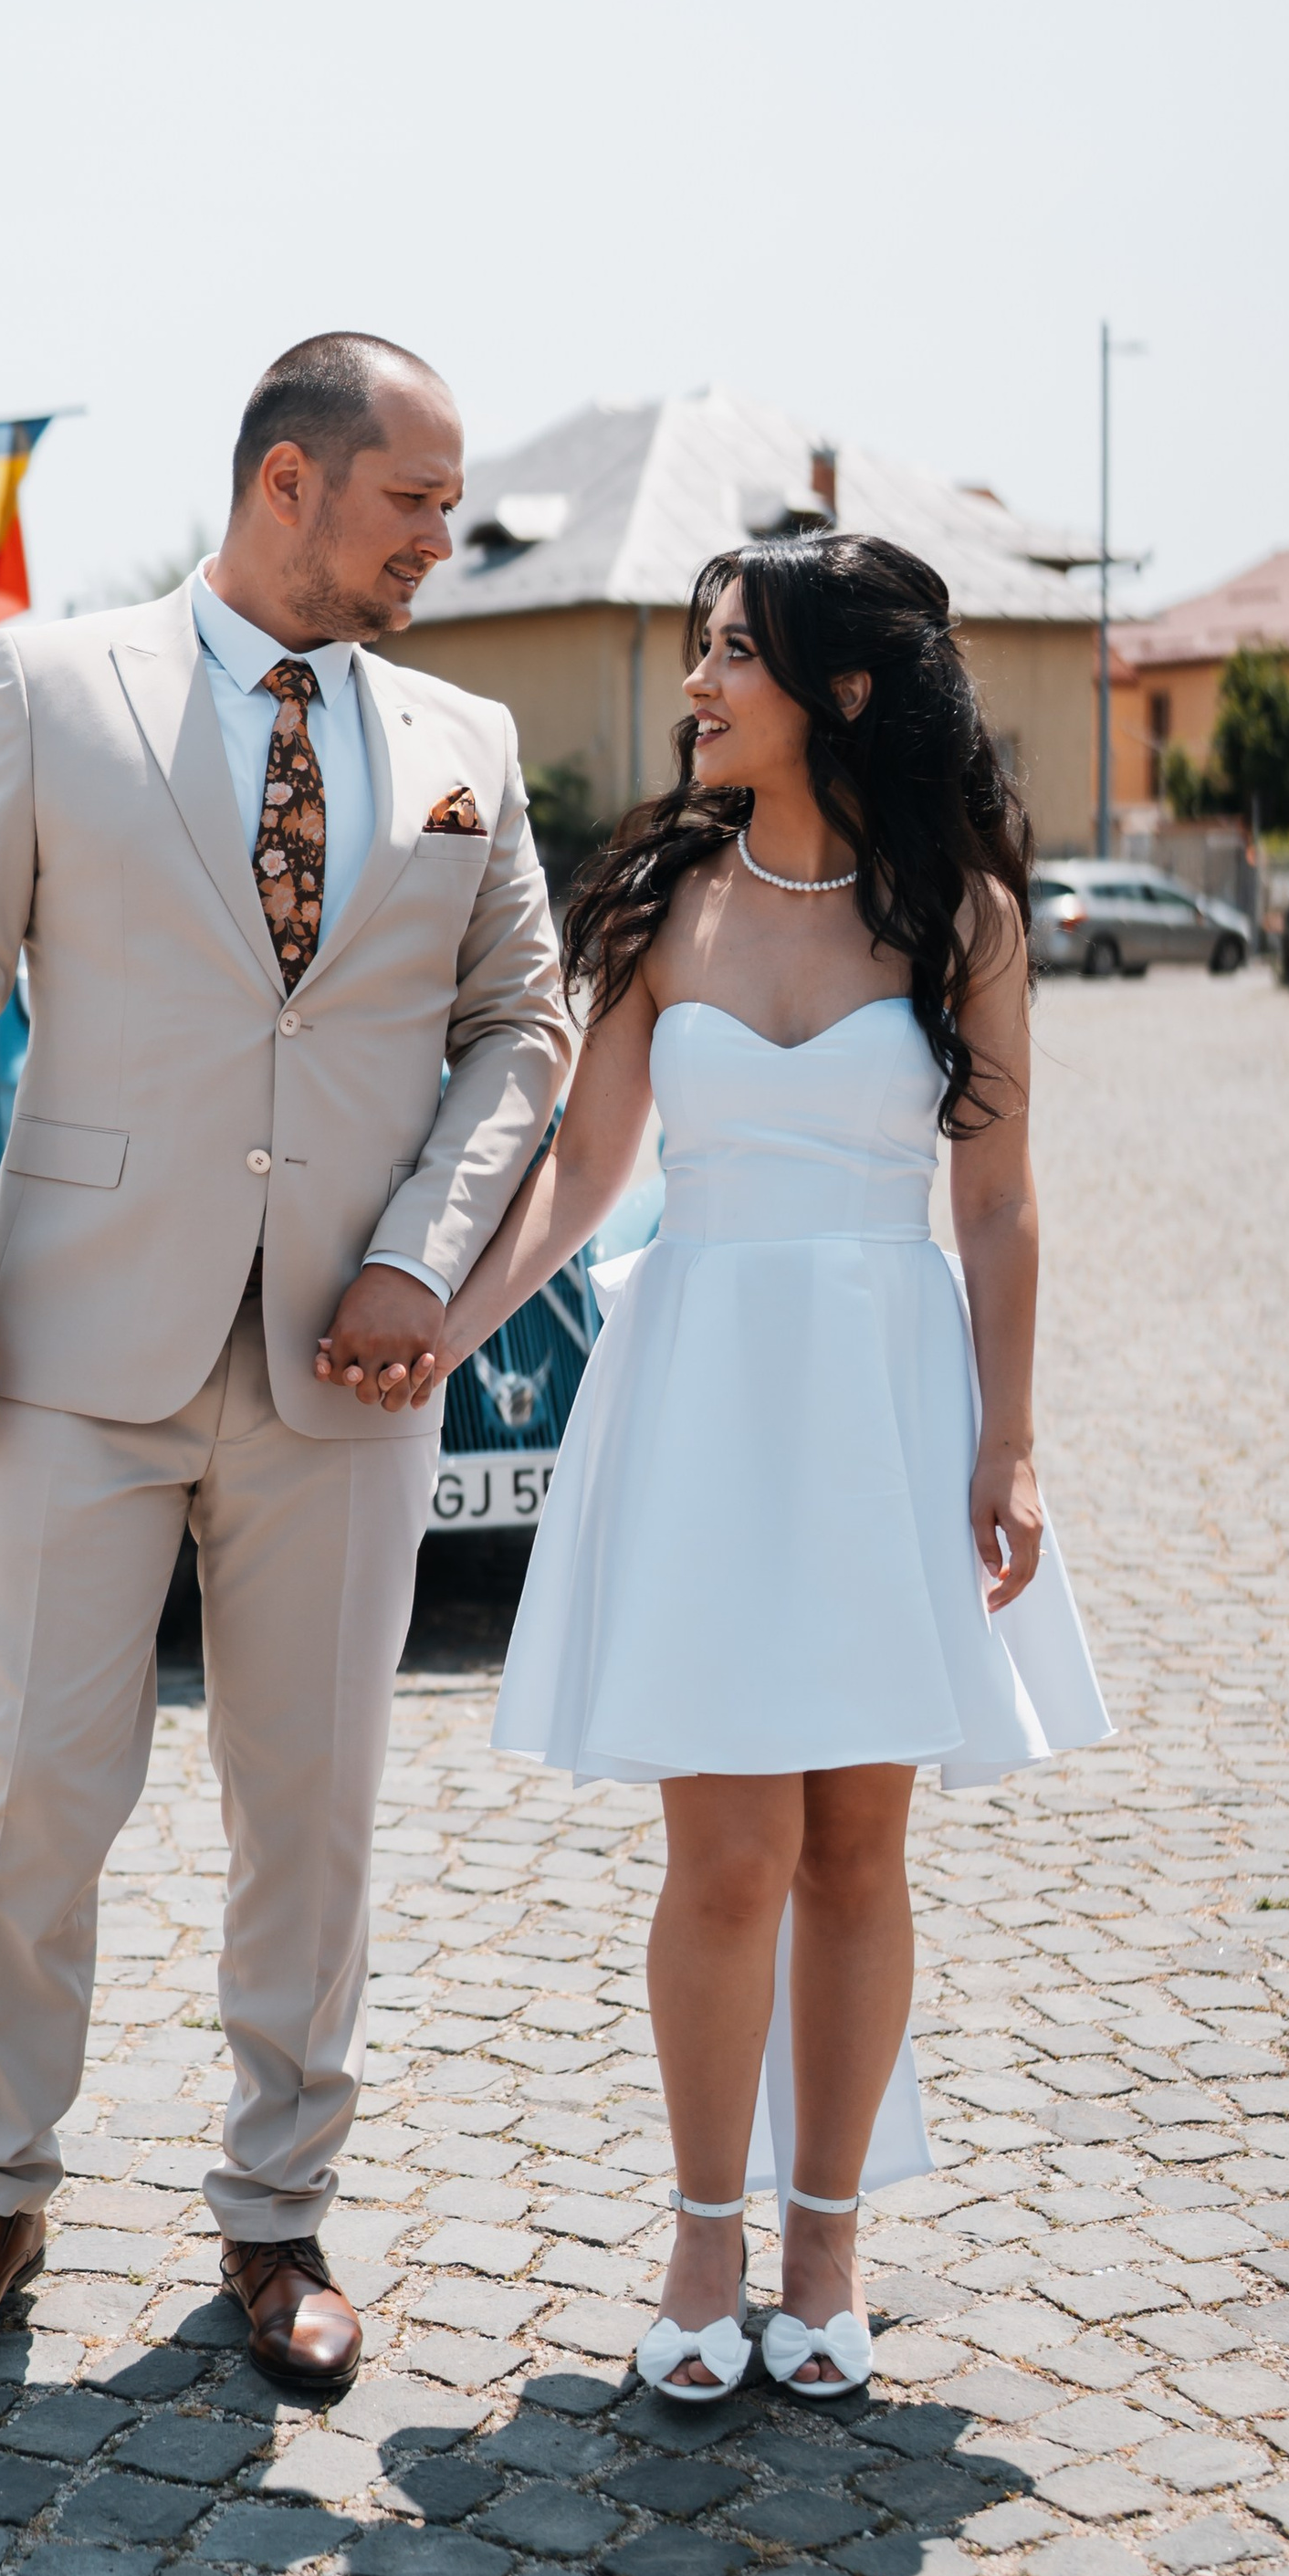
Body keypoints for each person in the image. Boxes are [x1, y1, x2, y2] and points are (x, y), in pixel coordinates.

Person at [0, 333, 570, 2395]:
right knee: (32, 1782)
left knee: (313, 1800)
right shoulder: (49, 688)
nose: (441, 539)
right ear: (287, 484)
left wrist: (420, 1265)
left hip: (344, 1376)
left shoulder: (466, 736)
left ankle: (275, 2222)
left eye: (450, 506)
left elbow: (523, 1026)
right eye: (412, 501)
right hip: (74, 1347)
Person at [386, 531, 1108, 2402]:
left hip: (882, 1403)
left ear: (840, 690)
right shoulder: (659, 908)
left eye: (729, 656)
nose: (694, 686)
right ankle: (700, 2249)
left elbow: (1003, 1203)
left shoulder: (964, 921)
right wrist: (445, 1337)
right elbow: (579, 1174)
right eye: (699, 649)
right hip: (700, 1396)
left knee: (859, 1847)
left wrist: (1011, 1442)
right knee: (724, 1857)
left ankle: (826, 2252)